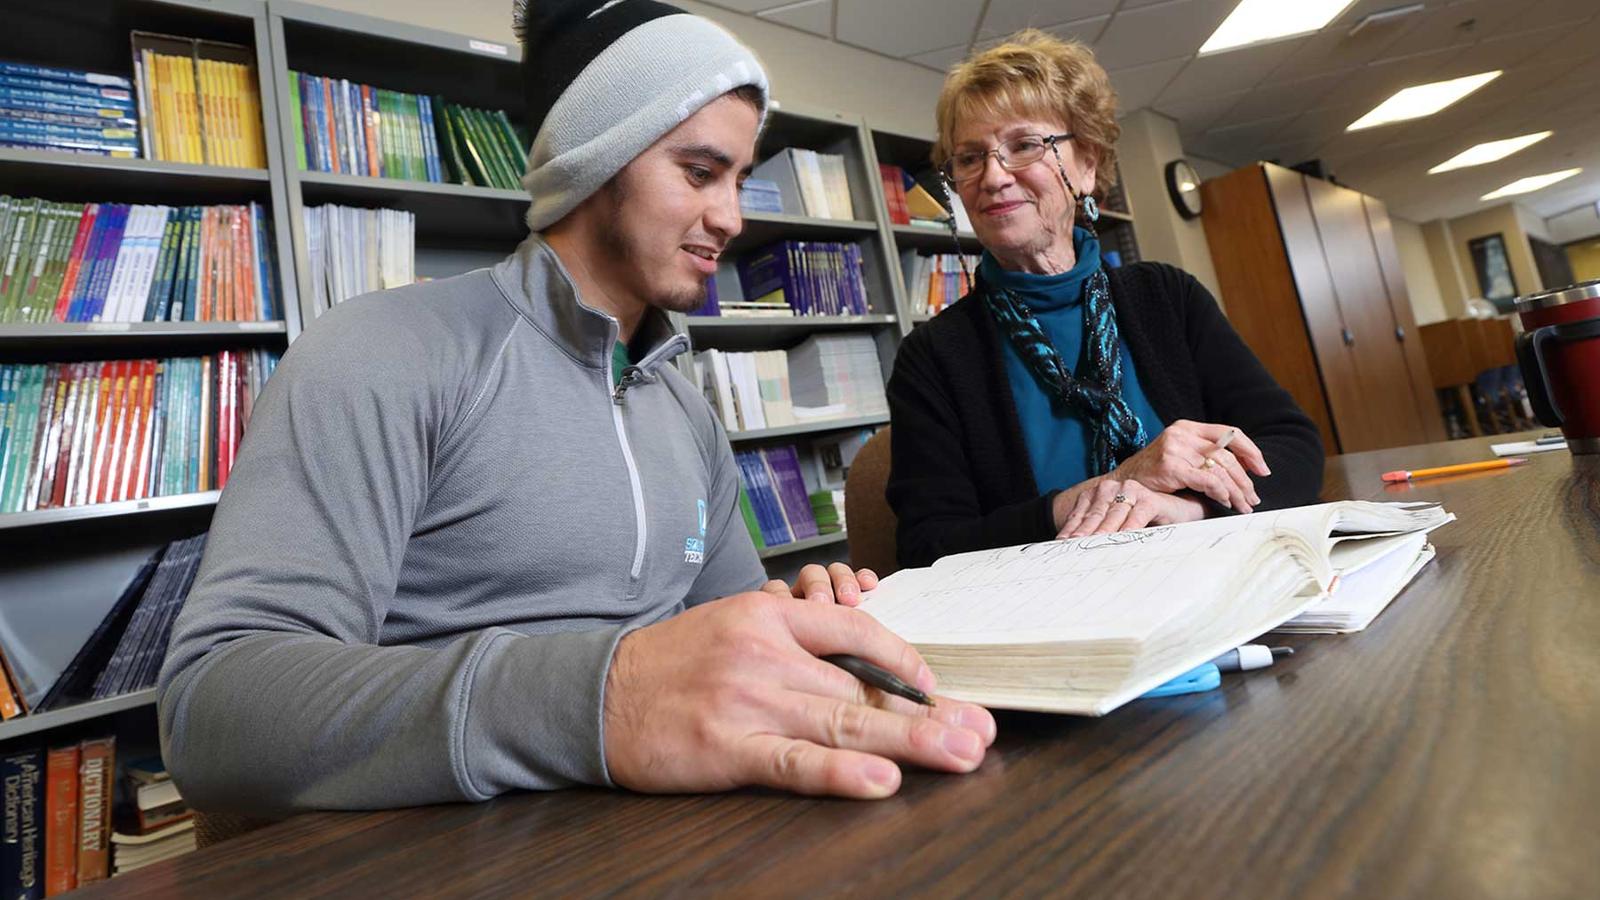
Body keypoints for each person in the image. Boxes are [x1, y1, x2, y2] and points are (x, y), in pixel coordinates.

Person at [158, 0, 995, 816]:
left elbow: (726, 621)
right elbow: (215, 712)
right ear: (596, 160)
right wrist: (606, 698)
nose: (731, 217)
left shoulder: (683, 401)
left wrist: (801, 623)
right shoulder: (384, 351)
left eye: (739, 179)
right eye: (699, 173)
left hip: (670, 829)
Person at [887, 31, 1324, 570]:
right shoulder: (934, 356)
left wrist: (1186, 511)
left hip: (1208, 577)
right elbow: (928, 547)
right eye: (970, 158)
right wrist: (1111, 487)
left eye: (1024, 146)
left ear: (1087, 165)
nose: (994, 177)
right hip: (1048, 614)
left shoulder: (1167, 297)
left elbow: (1295, 449)